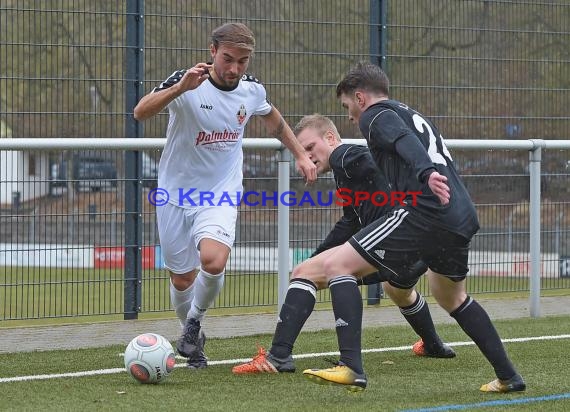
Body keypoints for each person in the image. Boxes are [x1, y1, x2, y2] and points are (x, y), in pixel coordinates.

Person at [301, 62, 526, 393]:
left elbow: (405, 142)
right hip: (459, 213)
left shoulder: (375, 116)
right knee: (451, 296)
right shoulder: (410, 112)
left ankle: (351, 368)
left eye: (348, 107)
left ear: (361, 97)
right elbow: (411, 141)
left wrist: (424, 174)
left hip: (425, 211)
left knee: (338, 266)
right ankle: (509, 376)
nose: (350, 117)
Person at [133, 22, 317, 369]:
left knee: (214, 261)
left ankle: (194, 323)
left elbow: (274, 121)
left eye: (243, 61)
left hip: (219, 193)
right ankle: (193, 340)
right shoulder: (186, 81)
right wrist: (179, 89)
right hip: (174, 194)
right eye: (228, 59)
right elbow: (140, 112)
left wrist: (300, 154)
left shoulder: (251, 91)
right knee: (181, 278)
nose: (234, 69)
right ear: (212, 50)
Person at [232, 114, 455, 377]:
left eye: (309, 148)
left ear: (330, 138)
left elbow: (372, 160)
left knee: (304, 273)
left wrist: (312, 267)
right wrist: (318, 257)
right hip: (416, 249)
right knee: (398, 291)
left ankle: (279, 356)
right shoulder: (345, 171)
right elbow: (350, 222)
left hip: (397, 240)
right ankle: (433, 345)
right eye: (301, 152)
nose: (306, 156)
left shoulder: (345, 155)